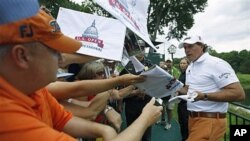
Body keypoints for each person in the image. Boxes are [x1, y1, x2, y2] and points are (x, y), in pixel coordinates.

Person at [0, 1, 163, 140]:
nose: (62, 58)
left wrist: (104, 129)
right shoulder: (6, 116)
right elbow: (81, 96)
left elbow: (67, 121)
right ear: (22, 56)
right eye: (54, 50)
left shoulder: (35, 91)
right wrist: (145, 119)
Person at [178, 35, 245, 141]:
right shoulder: (191, 66)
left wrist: (204, 96)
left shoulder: (216, 63)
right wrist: (174, 86)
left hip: (209, 119)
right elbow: (187, 90)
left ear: (201, 46)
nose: (187, 50)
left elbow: (239, 93)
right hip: (192, 118)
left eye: (190, 46)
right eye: (185, 47)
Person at [121, 36, 153, 141]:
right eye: (138, 48)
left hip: (146, 104)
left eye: (142, 48)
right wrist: (134, 92)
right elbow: (119, 89)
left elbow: (156, 85)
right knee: (131, 133)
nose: (140, 51)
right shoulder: (126, 66)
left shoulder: (152, 66)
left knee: (146, 135)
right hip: (131, 104)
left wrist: (147, 91)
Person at [158, 59, 180, 130]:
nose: (168, 64)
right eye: (167, 62)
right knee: (162, 106)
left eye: (169, 62)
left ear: (172, 63)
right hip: (163, 92)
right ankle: (163, 120)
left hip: (171, 93)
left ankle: (169, 123)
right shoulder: (163, 70)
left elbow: (176, 80)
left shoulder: (175, 71)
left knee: (169, 108)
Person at [177, 57, 190, 141]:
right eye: (181, 63)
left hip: (186, 103)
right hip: (180, 101)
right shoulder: (182, 74)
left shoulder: (189, 75)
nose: (182, 65)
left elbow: (186, 90)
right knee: (181, 122)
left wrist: (177, 89)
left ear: (188, 64)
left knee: (186, 124)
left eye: (184, 63)